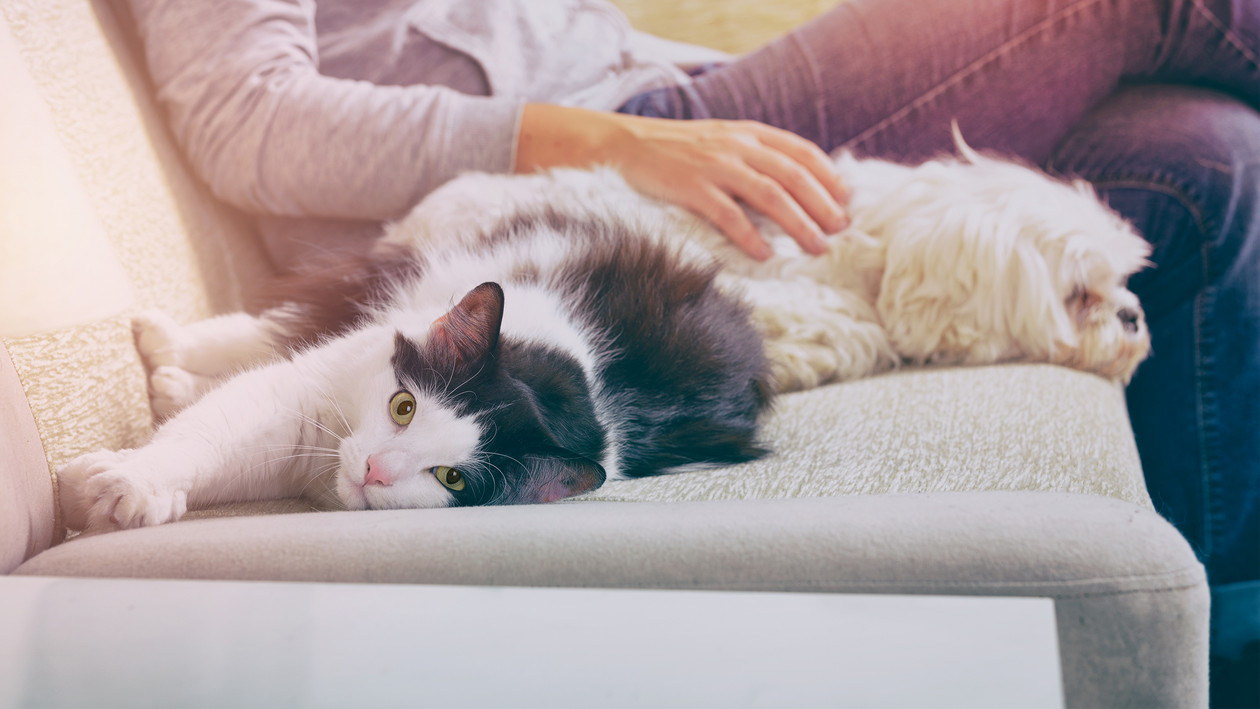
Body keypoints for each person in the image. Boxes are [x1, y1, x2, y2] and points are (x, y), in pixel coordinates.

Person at [117, 0, 1257, 703]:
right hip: (622, 161)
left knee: (1203, 158)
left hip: (660, 117)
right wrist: (624, 137)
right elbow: (251, 122)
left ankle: (1211, 639)